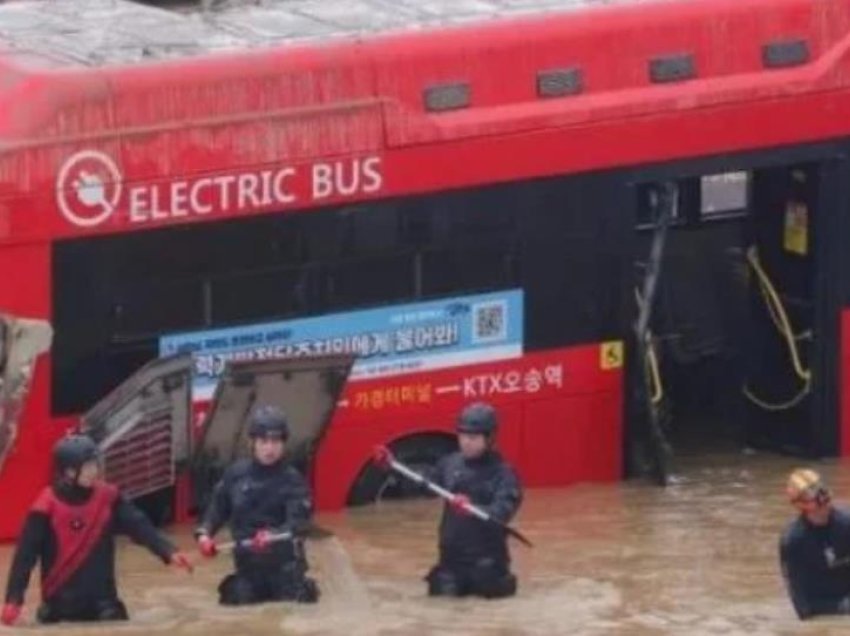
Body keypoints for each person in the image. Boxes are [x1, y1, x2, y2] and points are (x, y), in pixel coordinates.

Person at [1, 434, 192, 626]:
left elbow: (139, 526)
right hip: (58, 609)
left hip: (104, 607)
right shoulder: (44, 507)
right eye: (88, 466)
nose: (95, 471)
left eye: (95, 464)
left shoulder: (109, 498)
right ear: (68, 472)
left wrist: (169, 551)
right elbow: (24, 558)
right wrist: (13, 600)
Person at [194, 404, 319, 605]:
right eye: (264, 441)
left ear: (283, 444)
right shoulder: (235, 475)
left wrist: (273, 536)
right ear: (252, 442)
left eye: (275, 441)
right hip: (248, 573)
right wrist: (204, 535)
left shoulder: (294, 481)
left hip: (285, 574)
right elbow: (217, 508)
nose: (269, 448)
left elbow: (299, 524)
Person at [424, 401, 523, 599]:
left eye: (473, 437)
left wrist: (472, 508)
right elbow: (426, 486)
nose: (466, 442)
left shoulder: (504, 474)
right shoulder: (449, 463)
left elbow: (502, 512)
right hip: (451, 564)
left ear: (489, 438)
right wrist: (391, 465)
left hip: (487, 566)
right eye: (462, 436)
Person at [780, 468, 850, 620]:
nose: (822, 498)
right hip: (822, 603)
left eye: (821, 489)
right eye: (812, 494)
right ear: (800, 505)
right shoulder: (794, 541)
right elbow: (797, 593)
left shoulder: (846, 522)